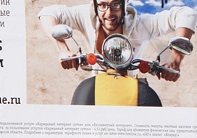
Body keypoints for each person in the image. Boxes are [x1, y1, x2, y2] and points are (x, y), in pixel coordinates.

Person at [38, 0, 196, 82]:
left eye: (115, 5)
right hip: (96, 82)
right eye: (102, 5)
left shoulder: (142, 24)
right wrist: (63, 49)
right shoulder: (86, 15)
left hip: (132, 83)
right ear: (95, 5)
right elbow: (48, 13)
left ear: (124, 4)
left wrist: (175, 59)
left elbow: (187, 14)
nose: (108, 13)